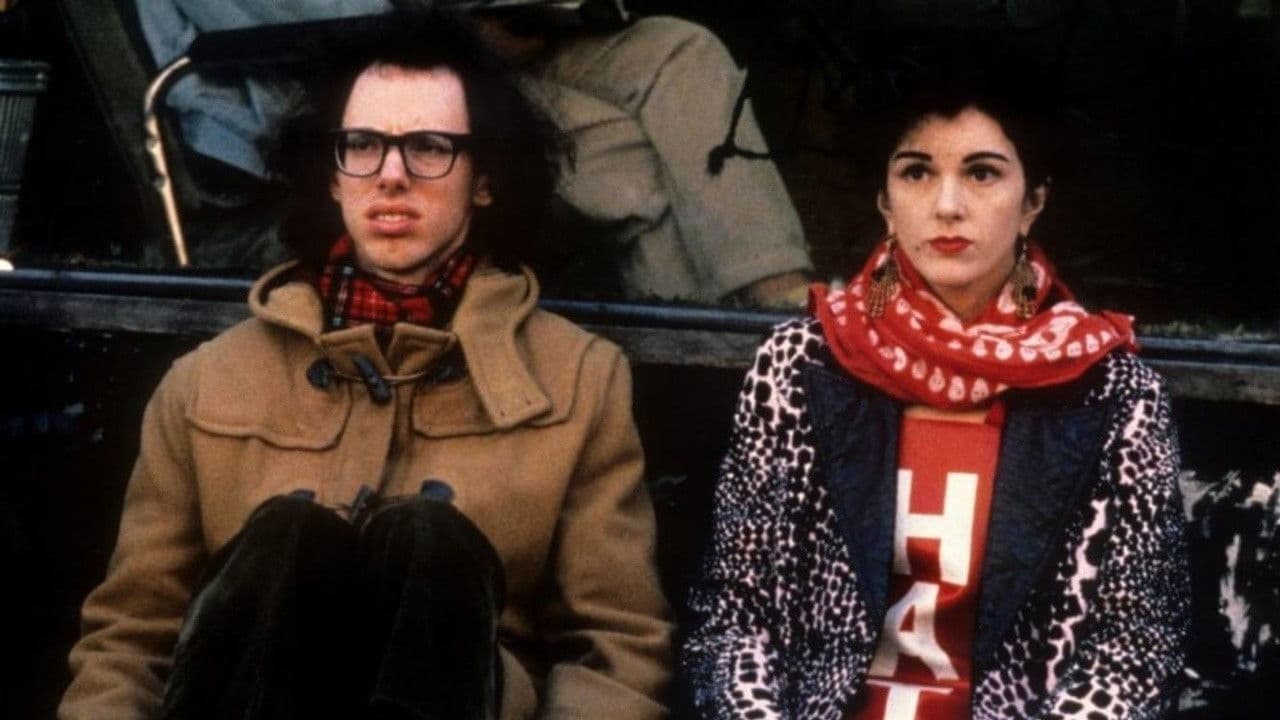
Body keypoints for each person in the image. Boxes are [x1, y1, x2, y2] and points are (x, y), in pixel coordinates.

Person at [59, 11, 672, 719]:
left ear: (484, 178)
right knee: (287, 537)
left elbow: (615, 652)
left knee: (430, 541)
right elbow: (130, 643)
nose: (391, 176)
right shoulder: (205, 383)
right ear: (331, 174)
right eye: (362, 145)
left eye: (430, 147)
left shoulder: (579, 378)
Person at [681, 68, 1190, 719]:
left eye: (982, 173)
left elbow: (1137, 647)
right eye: (917, 172)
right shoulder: (803, 362)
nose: (947, 204)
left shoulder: (1111, 390)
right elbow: (734, 617)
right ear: (884, 200)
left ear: (1033, 200)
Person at [137, 0, 813, 305]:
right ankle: (694, 355)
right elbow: (331, 21)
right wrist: (465, 25)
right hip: (363, 91)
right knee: (625, 160)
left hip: (476, 50)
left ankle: (776, 296)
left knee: (679, 49)